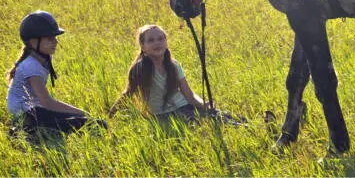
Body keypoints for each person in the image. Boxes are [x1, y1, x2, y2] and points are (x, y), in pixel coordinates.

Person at [6, 10, 107, 138]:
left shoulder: (44, 57)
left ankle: (31, 132)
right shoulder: (31, 66)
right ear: (33, 42)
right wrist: (81, 112)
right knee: (91, 124)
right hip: (27, 114)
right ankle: (24, 132)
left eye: (55, 37)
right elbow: (47, 102)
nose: (55, 41)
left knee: (92, 124)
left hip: (35, 110)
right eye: (49, 38)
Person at [109, 24, 209, 123]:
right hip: (160, 115)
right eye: (151, 40)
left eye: (161, 39)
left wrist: (204, 105)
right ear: (143, 46)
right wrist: (110, 116)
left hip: (183, 107)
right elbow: (128, 93)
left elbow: (189, 95)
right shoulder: (139, 69)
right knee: (191, 125)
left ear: (166, 43)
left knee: (219, 117)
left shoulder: (174, 65)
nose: (157, 43)